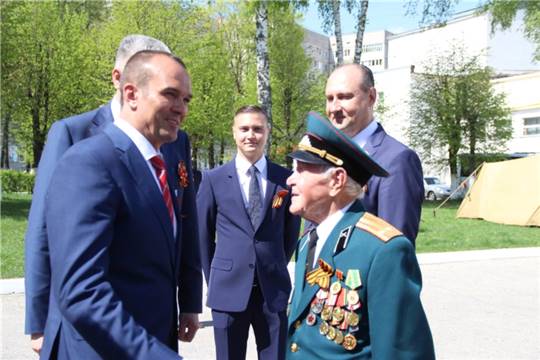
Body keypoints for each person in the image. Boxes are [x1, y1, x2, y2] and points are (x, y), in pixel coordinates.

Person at [42, 50, 202, 359]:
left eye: (186, 100)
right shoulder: (91, 161)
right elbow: (82, 292)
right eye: (170, 94)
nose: (181, 109)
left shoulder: (156, 166)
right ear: (131, 94)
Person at [285, 112, 435, 359]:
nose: (290, 179)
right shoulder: (307, 242)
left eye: (301, 170)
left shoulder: (384, 251)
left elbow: (402, 352)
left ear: (337, 180)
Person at [197, 105, 301, 360]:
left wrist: (272, 263)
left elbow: (290, 235)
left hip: (272, 291)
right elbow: (202, 236)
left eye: (257, 129)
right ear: (234, 132)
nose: (250, 135)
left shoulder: (285, 179)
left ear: (267, 132)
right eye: (244, 128)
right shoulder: (213, 179)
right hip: (228, 291)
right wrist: (217, 277)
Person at [325, 64, 424, 243]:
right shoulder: (325, 155)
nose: (334, 108)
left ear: (371, 97)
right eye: (330, 98)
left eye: (344, 97)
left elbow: (394, 249)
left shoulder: (396, 160)